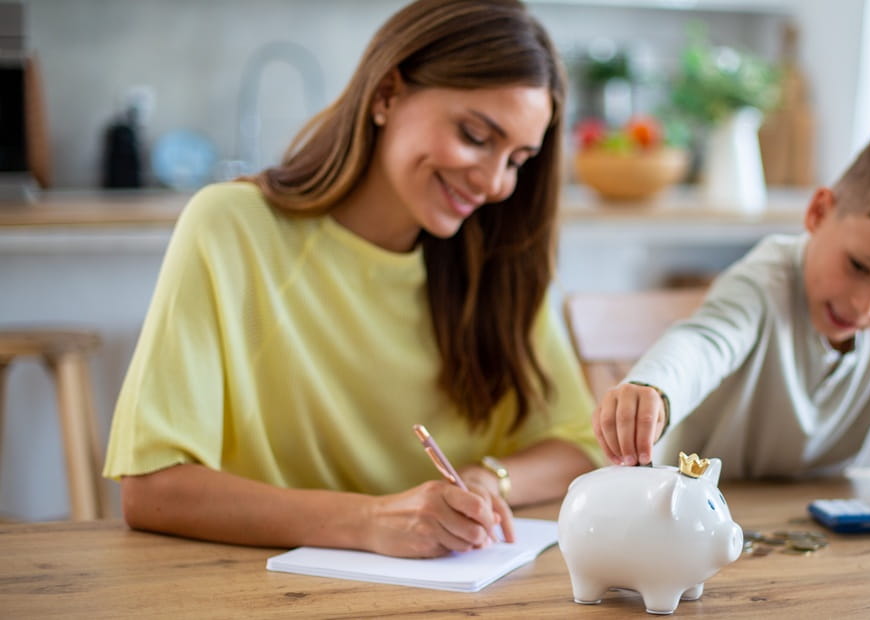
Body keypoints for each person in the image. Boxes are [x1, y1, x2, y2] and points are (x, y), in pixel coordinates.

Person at [103, 0, 601, 558]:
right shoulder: (231, 228)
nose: (494, 183)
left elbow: (579, 446)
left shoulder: (499, 260)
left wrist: (487, 479)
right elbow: (153, 491)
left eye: (517, 160)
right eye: (475, 135)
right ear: (387, 95)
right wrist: (369, 520)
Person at [593, 122, 870, 536]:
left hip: (806, 524)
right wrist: (656, 388)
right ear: (818, 212)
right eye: (859, 266)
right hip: (693, 517)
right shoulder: (762, 282)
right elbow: (703, 342)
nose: (866, 305)